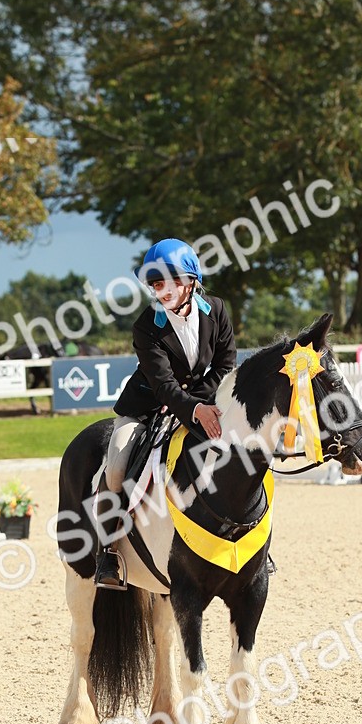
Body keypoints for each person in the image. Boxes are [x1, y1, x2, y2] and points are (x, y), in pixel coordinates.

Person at [95, 238, 237, 590]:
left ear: (190, 281)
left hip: (204, 404)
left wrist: (202, 406)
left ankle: (246, 541)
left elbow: (226, 363)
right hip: (148, 409)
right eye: (155, 284)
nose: (161, 290)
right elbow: (163, 384)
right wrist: (194, 408)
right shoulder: (146, 326)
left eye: (168, 282)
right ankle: (108, 550)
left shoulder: (216, 310)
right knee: (116, 464)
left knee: (242, 454)